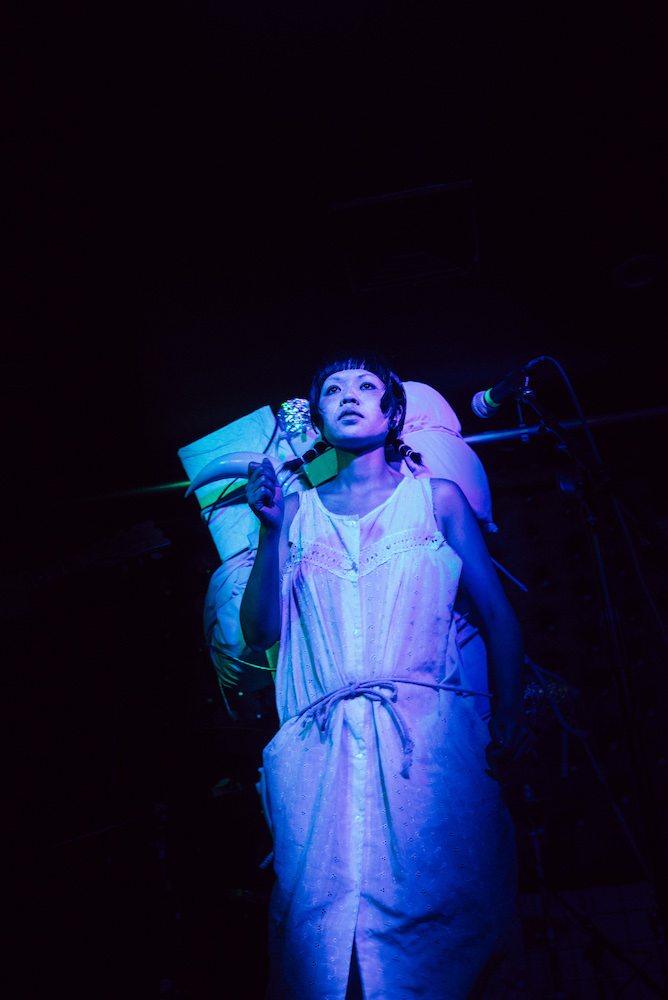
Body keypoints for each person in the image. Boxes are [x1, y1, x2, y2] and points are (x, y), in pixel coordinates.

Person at [240, 353, 535, 1000]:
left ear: (393, 410)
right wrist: (269, 534)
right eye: (332, 390)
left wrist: (509, 711)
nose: (349, 396)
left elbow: (498, 615)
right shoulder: (294, 511)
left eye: (366, 386)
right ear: (318, 418)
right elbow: (259, 633)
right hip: (321, 757)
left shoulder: (435, 499)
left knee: (448, 927)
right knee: (326, 941)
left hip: (427, 746)